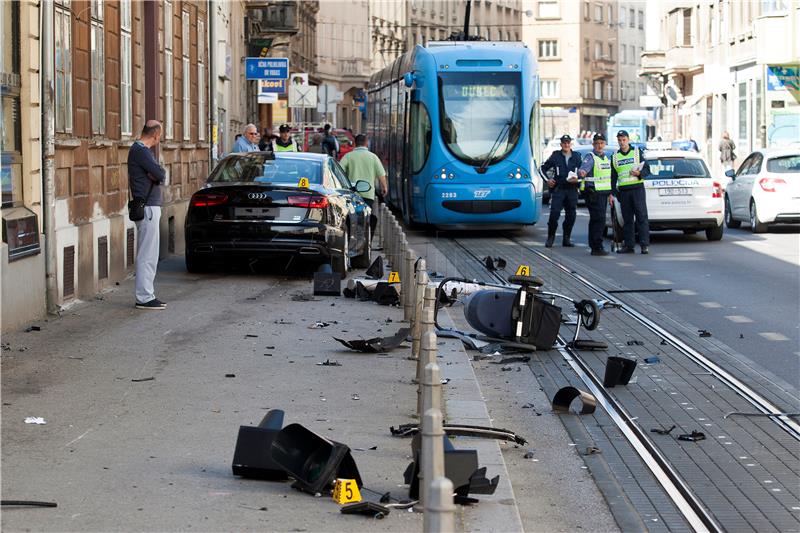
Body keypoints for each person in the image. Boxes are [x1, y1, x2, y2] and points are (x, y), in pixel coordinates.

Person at [128, 120, 167, 310]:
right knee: (148, 254)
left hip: (149, 206)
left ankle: (146, 294)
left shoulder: (141, 151)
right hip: (148, 207)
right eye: (161, 135)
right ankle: (144, 297)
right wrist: (156, 173)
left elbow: (157, 173)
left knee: (149, 253)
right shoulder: (141, 151)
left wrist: (156, 173)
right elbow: (160, 174)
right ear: (156, 135)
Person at [339, 134, 387, 238]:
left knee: (352, 218)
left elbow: (339, 171)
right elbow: (381, 174)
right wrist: (385, 187)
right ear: (366, 143)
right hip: (368, 195)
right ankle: (366, 239)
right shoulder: (373, 157)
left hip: (352, 195)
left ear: (355, 144)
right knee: (367, 217)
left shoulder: (348, 156)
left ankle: (352, 237)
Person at [611, 130, 650, 254]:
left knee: (641, 217)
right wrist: (613, 193)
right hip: (624, 192)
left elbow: (647, 169)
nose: (622, 142)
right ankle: (629, 246)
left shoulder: (637, 152)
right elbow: (613, 177)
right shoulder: (615, 156)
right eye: (619, 140)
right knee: (627, 220)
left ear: (628, 140)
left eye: (624, 140)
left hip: (637, 189)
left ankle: (644, 245)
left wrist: (639, 174)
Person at [541, 134, 582, 248]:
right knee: (554, 215)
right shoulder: (556, 156)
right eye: (564, 143)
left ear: (571, 144)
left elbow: (582, 172)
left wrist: (578, 180)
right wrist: (548, 180)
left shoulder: (577, 157)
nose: (566, 145)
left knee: (571, 216)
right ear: (561, 144)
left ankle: (566, 238)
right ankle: (551, 237)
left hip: (572, 190)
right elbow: (542, 168)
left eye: (568, 142)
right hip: (559, 190)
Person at [578, 133, 613, 256]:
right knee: (599, 220)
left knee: (597, 220)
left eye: (601, 143)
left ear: (604, 144)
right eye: (597, 143)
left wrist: (610, 194)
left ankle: (595, 246)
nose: (599, 145)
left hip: (603, 193)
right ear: (593, 144)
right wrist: (581, 172)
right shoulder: (590, 157)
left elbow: (607, 178)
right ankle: (596, 246)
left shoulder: (605, 158)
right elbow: (583, 170)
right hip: (593, 193)